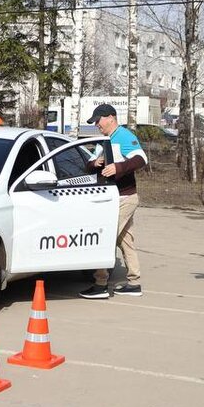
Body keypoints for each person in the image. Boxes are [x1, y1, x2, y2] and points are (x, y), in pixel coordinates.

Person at [80, 103, 149, 299]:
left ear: (110, 117)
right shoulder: (105, 139)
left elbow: (141, 159)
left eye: (98, 121)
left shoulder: (124, 136)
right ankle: (134, 283)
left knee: (105, 237)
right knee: (125, 240)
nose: (96, 125)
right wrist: (96, 163)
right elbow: (88, 164)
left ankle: (101, 283)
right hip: (111, 196)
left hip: (124, 197)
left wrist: (118, 168)